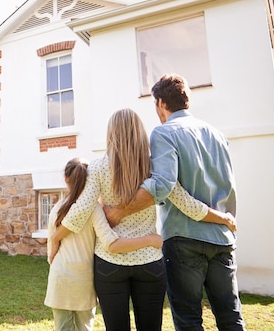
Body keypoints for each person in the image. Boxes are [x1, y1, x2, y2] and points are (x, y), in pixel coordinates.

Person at [50, 109, 235, 331]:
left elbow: (80, 211)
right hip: (149, 262)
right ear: (139, 133)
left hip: (109, 264)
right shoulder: (153, 167)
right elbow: (186, 203)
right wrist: (222, 217)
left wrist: (55, 237)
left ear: (111, 134)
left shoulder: (98, 167)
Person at [105, 74, 245, 331]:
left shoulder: (164, 132)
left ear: (160, 103)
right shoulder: (217, 135)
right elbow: (230, 187)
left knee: (189, 320)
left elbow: (162, 185)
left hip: (185, 240)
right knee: (230, 317)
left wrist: (118, 212)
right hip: (223, 237)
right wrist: (223, 220)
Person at [45, 157, 163, 331]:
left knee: (62, 328)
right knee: (84, 327)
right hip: (82, 280)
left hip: (59, 277)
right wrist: (150, 240)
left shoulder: (57, 209)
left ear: (66, 179)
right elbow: (112, 244)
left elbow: (52, 244)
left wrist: (52, 258)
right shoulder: (93, 209)